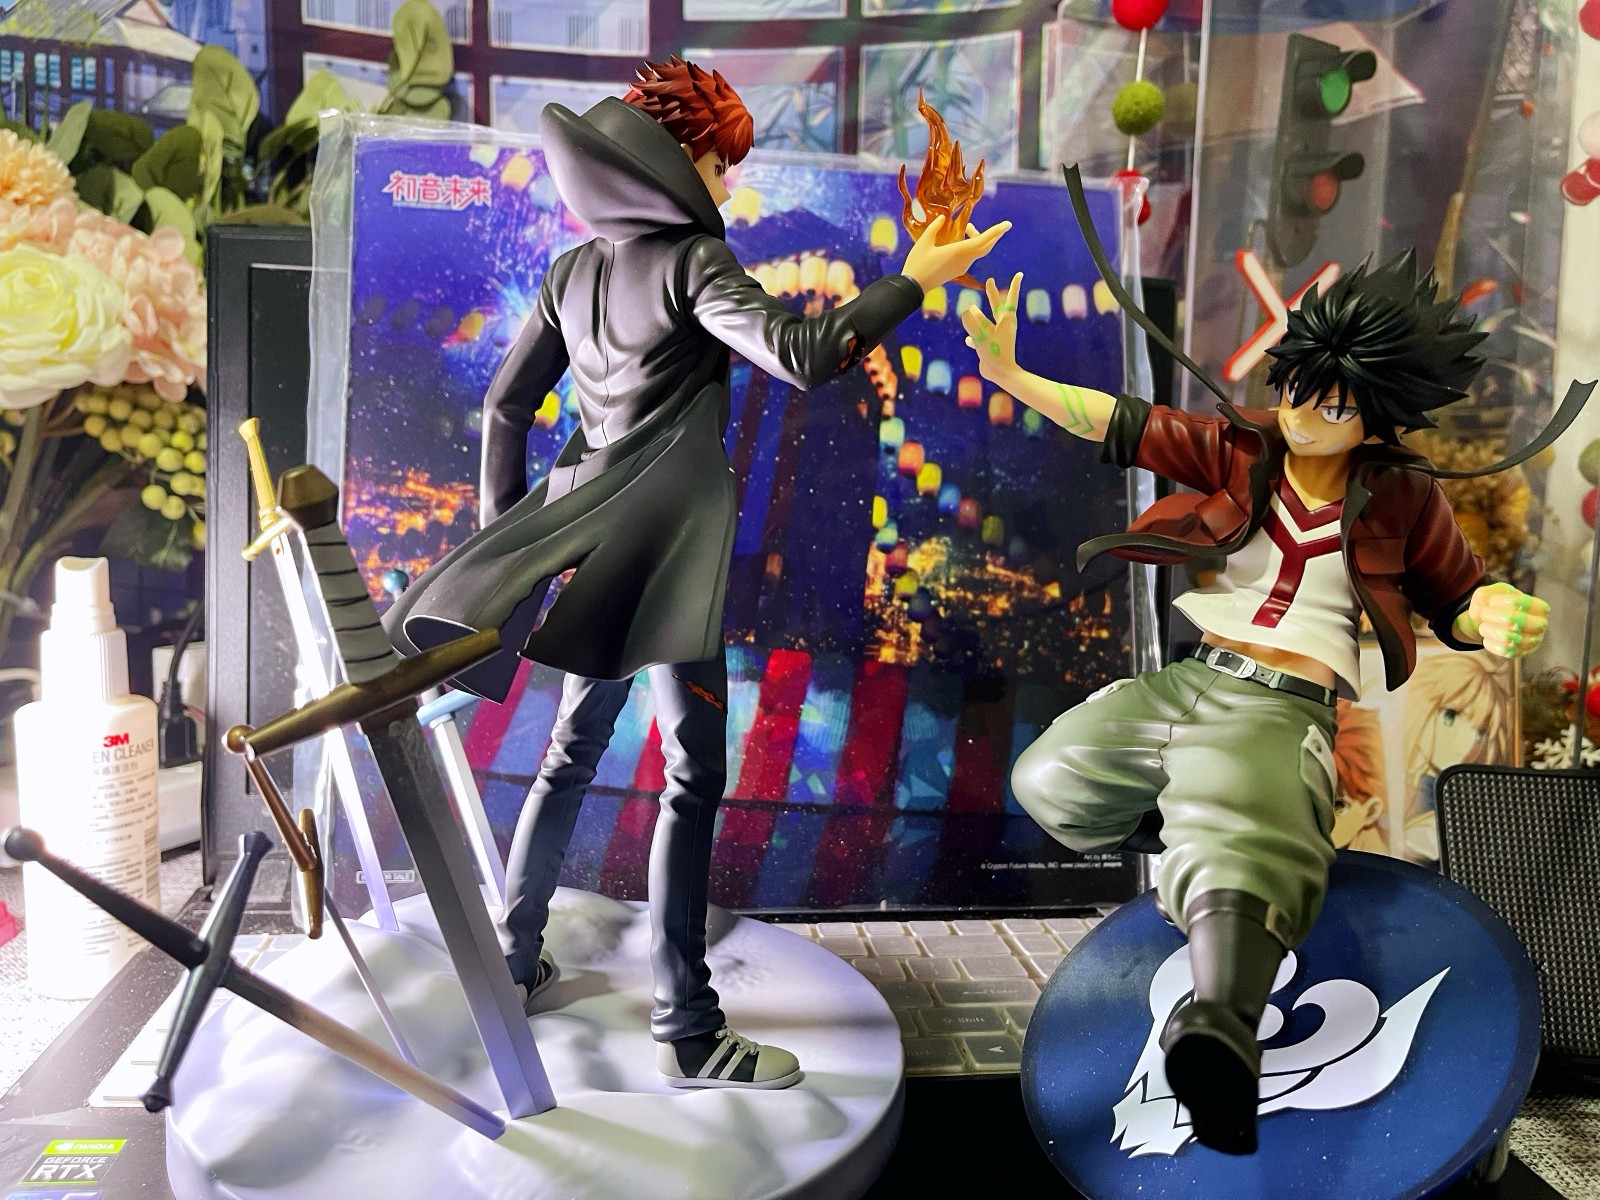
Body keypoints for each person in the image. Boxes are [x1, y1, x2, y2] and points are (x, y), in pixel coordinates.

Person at [385, 57, 1007, 1090]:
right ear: (679, 158)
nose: (726, 184)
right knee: (691, 775)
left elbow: (503, 408)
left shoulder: (573, 271)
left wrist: (521, 540)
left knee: (568, 756)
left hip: (589, 542)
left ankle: (512, 958)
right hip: (665, 554)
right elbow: (803, 353)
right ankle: (686, 1029)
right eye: (720, 164)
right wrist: (916, 278)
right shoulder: (692, 264)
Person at [959, 249, 1549, 1152]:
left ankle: (1221, 1031)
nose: (1309, 415)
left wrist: (1492, 613)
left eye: (1337, 405)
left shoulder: (1403, 497)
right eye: (1302, 389)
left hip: (1282, 707)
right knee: (1053, 777)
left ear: (1377, 413)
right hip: (1194, 676)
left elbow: (1456, 596)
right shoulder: (1243, 447)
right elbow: (1127, 423)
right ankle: (1227, 842)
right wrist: (1010, 373)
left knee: (1241, 826)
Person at [1400, 651, 1515, 863]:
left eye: (1481, 732)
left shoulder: (1470, 802)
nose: (1469, 744)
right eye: (1450, 717)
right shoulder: (1394, 783)